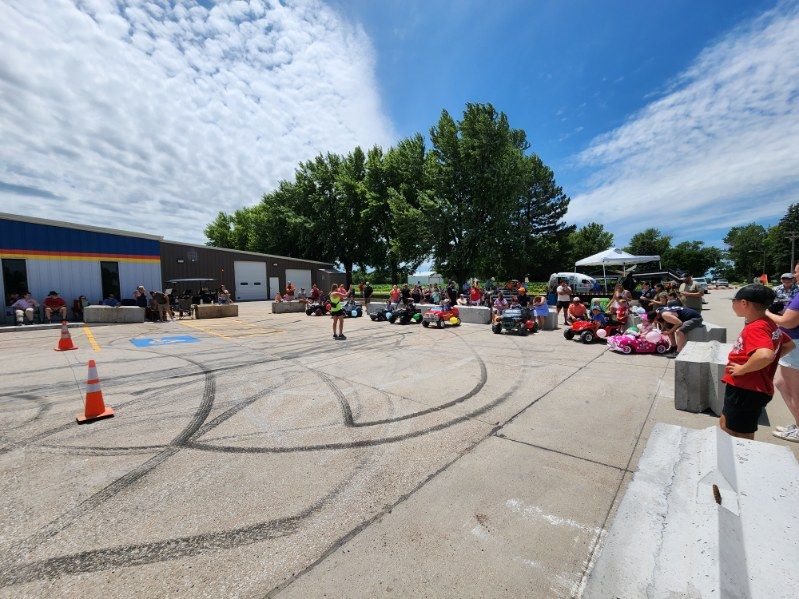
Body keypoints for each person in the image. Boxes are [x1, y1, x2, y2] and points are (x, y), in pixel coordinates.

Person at [722, 284, 793, 440]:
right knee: (727, 424)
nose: (732, 304)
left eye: (734, 300)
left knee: (739, 434)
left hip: (746, 388)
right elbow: (788, 344)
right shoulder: (768, 322)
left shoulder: (756, 328)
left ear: (744, 303)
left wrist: (743, 369)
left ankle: (740, 462)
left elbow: (765, 355)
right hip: (751, 387)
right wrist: (767, 361)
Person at [767, 264, 799, 443]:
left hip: (796, 343)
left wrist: (767, 313)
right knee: (780, 382)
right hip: (793, 342)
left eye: (796, 271)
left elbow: (788, 322)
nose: (794, 275)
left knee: (794, 390)